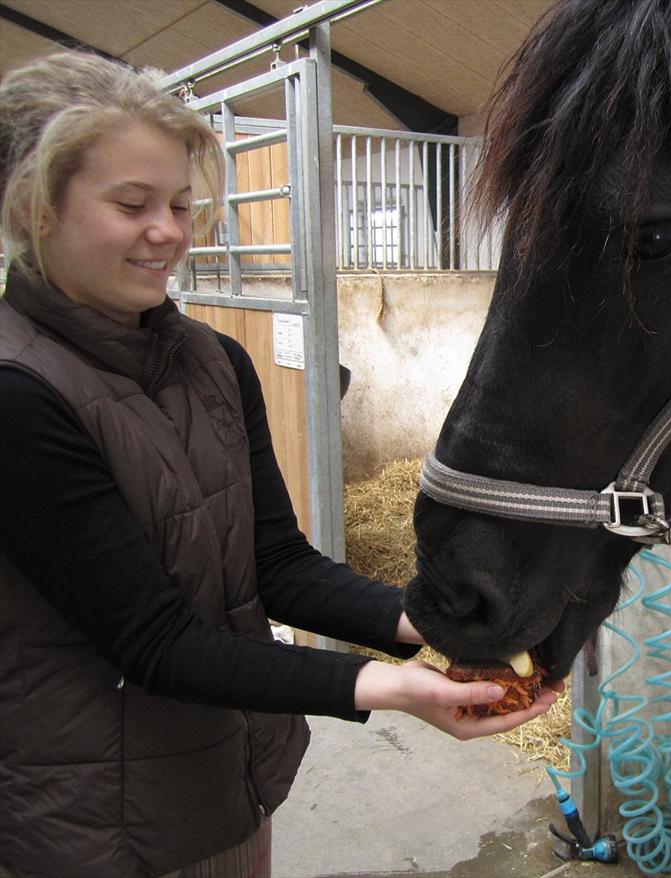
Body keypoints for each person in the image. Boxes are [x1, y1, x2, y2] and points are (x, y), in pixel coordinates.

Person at [0, 50, 560, 878]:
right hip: (86, 821)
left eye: (183, 205)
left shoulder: (214, 362)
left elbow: (279, 564)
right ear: (36, 208)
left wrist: (434, 626)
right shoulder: (20, 394)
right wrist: (393, 688)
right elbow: (154, 643)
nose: (171, 233)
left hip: (226, 785)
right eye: (132, 204)